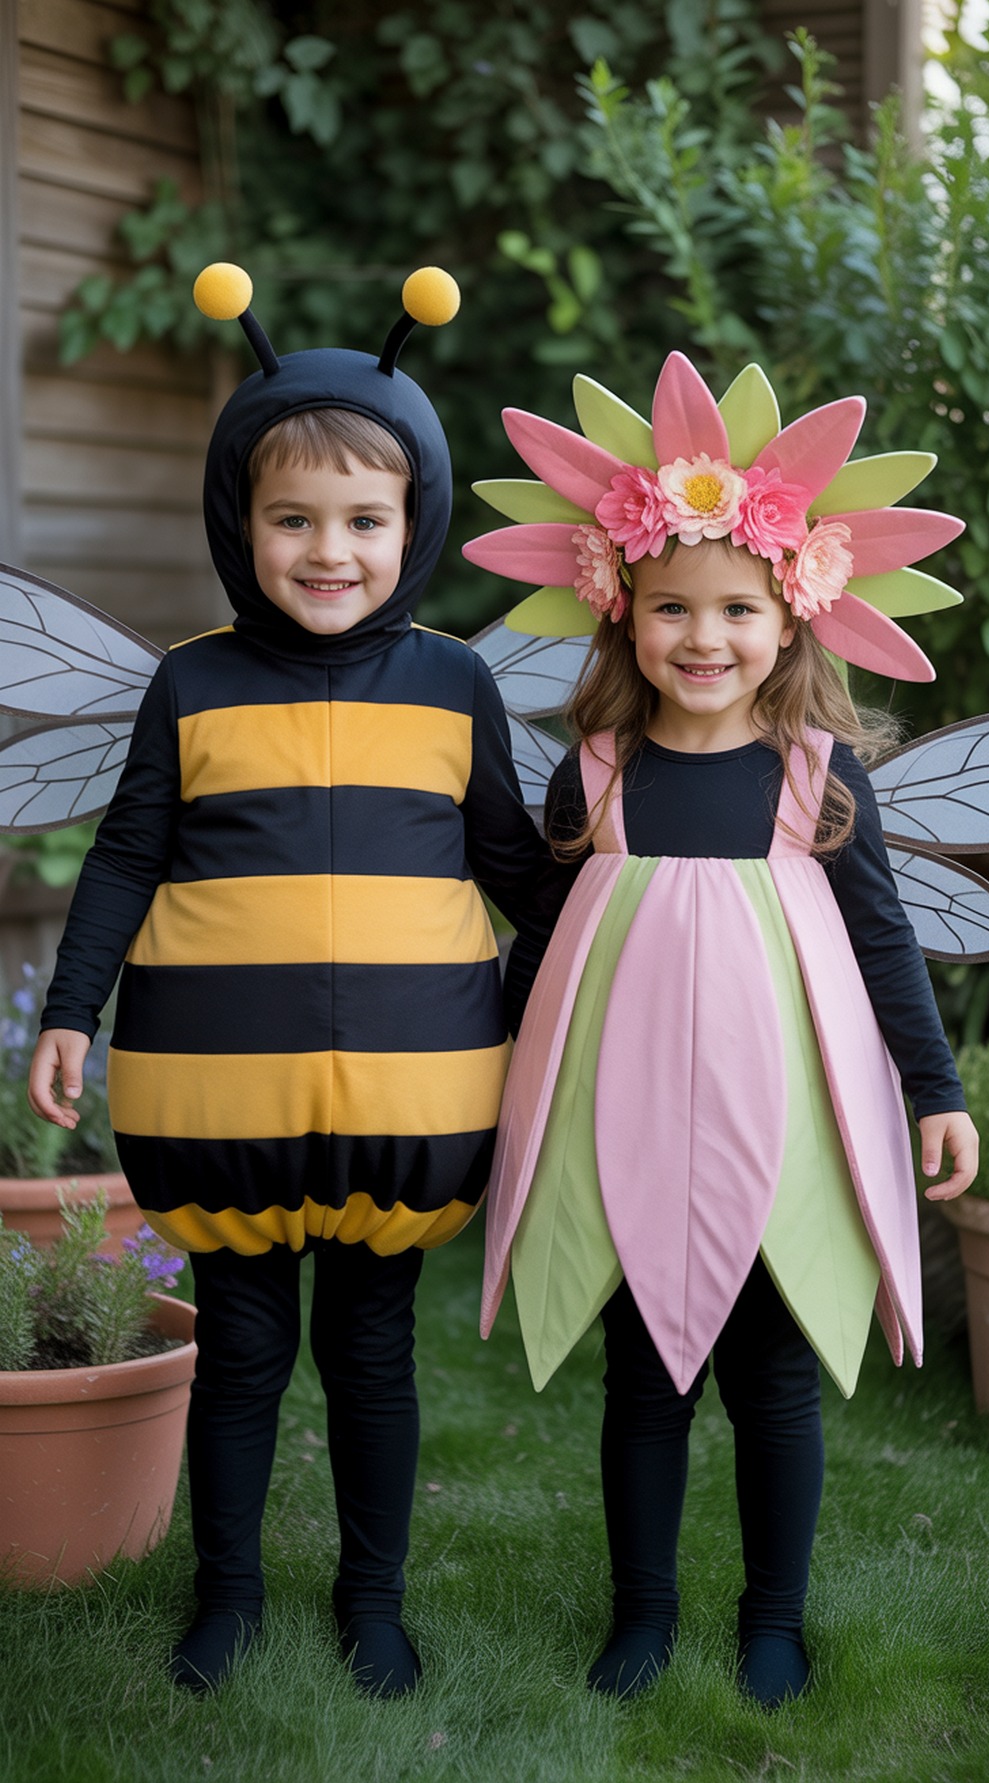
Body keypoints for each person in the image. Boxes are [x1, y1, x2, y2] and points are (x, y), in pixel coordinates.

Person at [25, 265, 547, 1697]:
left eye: (365, 521)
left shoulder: (454, 685)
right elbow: (128, 857)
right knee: (244, 1353)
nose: (330, 551)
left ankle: (373, 1602)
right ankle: (230, 1596)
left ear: (415, 524)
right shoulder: (191, 684)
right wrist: (70, 1008)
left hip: (406, 1107)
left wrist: (639, 935)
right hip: (222, 1107)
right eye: (294, 519)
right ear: (236, 522)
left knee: (373, 1356)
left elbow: (514, 864)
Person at [463, 351, 979, 1708]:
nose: (705, 638)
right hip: (630, 1127)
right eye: (673, 608)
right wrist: (486, 1087)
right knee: (644, 1382)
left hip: (783, 1126)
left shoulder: (817, 778)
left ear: (792, 617)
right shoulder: (597, 775)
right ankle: (642, 1617)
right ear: (622, 616)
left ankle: (773, 1623)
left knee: (772, 1383)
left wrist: (936, 1090)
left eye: (738, 609)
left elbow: (880, 945)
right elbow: (546, 951)